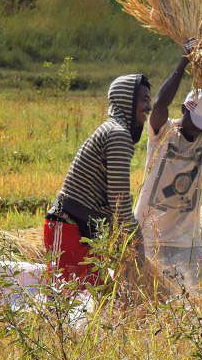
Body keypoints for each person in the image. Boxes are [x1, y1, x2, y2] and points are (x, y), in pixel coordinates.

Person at [134, 42, 202, 289]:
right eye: (193, 122)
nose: (196, 129)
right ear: (184, 109)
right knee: (151, 299)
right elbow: (160, 105)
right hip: (150, 236)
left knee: (201, 301)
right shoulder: (163, 133)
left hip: (187, 241)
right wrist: (183, 62)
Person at [44, 73, 152, 285]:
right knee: (69, 302)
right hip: (69, 229)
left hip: (82, 231)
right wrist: (135, 240)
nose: (149, 107)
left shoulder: (115, 131)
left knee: (96, 302)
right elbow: (119, 199)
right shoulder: (118, 135)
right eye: (144, 99)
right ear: (127, 101)